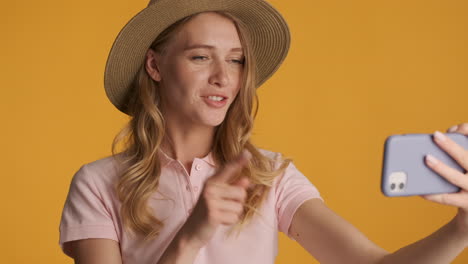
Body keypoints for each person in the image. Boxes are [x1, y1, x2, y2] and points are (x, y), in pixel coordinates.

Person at [58, 0, 468, 263]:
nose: (223, 77)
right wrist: (190, 237)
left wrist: (460, 231)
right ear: (155, 66)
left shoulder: (270, 175)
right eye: (201, 56)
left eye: (236, 61)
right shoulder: (98, 184)